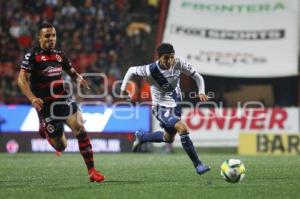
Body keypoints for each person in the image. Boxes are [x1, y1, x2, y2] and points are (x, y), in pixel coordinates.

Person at [17, 22, 105, 183]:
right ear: (39, 38)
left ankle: (92, 171)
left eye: (54, 35)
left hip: (63, 100)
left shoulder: (59, 54)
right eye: (47, 36)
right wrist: (32, 98)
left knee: (80, 128)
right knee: (61, 146)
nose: (51, 39)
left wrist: (79, 79)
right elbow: (21, 79)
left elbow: (71, 71)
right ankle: (44, 128)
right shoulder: (33, 56)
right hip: (46, 106)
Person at [120, 43, 210, 175]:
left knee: (168, 138)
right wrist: (123, 90)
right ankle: (198, 165)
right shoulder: (151, 69)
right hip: (160, 107)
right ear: (159, 58)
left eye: (171, 57)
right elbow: (131, 70)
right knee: (182, 128)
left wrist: (201, 91)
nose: (169, 61)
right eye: (166, 58)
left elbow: (198, 77)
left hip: (176, 105)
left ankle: (142, 137)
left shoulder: (179, 63)